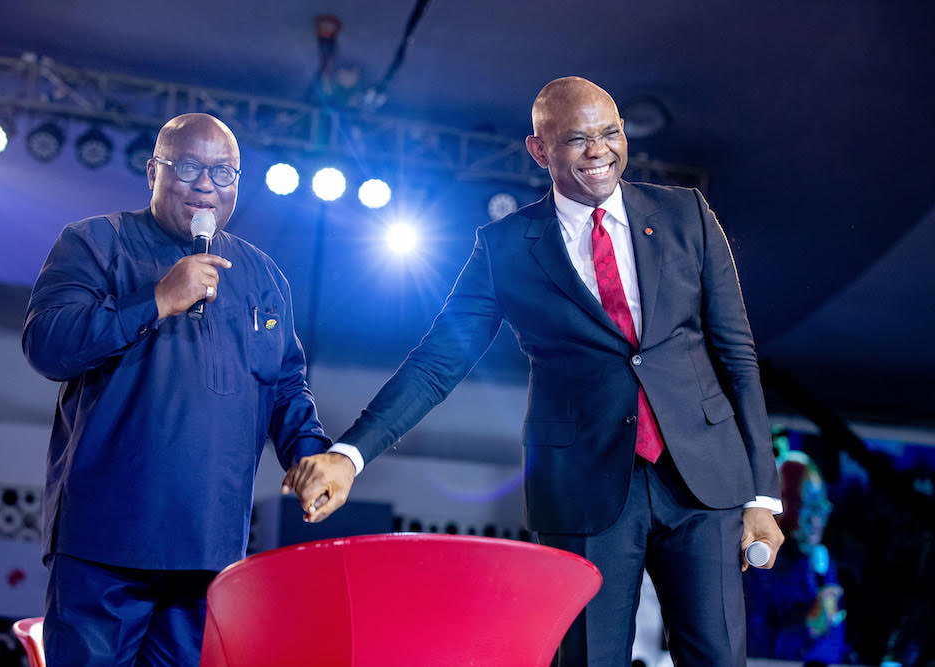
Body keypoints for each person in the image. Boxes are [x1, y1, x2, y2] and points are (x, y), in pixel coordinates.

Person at [286, 76, 785, 666]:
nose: (599, 151)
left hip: (705, 482)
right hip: (583, 490)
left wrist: (763, 495)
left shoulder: (687, 215)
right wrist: (350, 454)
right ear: (539, 150)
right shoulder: (505, 247)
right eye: (577, 138)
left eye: (610, 133)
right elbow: (437, 364)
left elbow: (736, 355)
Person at [23, 113, 341, 666]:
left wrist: (311, 454)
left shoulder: (264, 277)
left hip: (208, 550)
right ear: (153, 171)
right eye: (189, 166)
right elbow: (47, 346)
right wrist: (157, 300)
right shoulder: (96, 243)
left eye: (224, 172)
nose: (205, 185)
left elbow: (286, 385)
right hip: (105, 543)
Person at [745, 451, 848, 663]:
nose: (816, 521)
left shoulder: (821, 564)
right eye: (808, 508)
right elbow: (750, 644)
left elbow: (833, 647)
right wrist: (806, 623)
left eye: (821, 509)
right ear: (781, 509)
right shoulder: (758, 563)